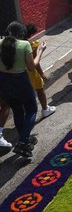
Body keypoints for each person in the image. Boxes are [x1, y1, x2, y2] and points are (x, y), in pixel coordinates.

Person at [0, 21, 46, 156]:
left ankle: (25, 140)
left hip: (3, 82)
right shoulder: (24, 45)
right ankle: (23, 141)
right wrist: (40, 51)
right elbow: (32, 67)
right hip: (20, 80)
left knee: (17, 110)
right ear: (22, 34)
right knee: (32, 110)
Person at [24, 23, 55, 118]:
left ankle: (26, 112)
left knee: (25, 93)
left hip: (20, 74)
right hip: (31, 73)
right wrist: (42, 74)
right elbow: (35, 63)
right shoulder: (33, 45)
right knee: (40, 90)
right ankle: (45, 109)